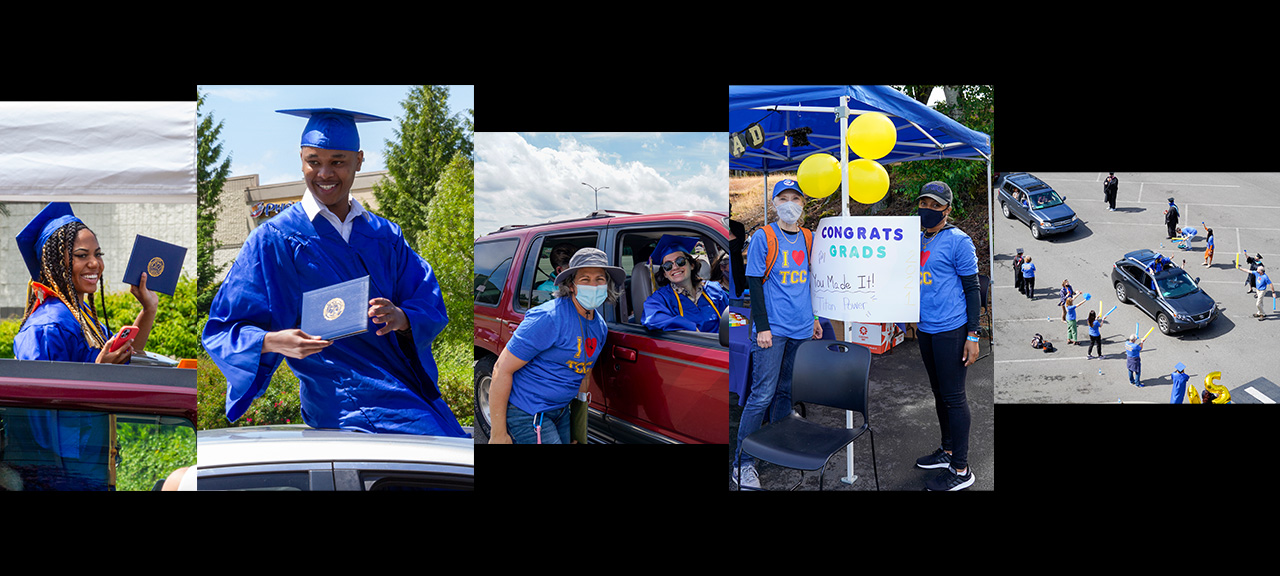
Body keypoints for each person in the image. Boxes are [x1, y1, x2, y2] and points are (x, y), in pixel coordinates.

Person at [202, 107, 465, 437]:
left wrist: (403, 317)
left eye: (337, 162)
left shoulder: (385, 235)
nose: (324, 173)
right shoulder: (274, 240)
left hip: (400, 383)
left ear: (359, 160)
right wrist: (273, 341)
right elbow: (222, 329)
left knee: (453, 447)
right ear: (301, 160)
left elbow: (427, 299)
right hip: (339, 394)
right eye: (314, 161)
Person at [733, 179, 822, 490]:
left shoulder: (809, 238)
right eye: (782, 197)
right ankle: (743, 462)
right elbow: (754, 283)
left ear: (802, 204)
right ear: (774, 203)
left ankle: (779, 444)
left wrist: (812, 318)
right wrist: (763, 327)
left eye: (794, 198)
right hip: (773, 330)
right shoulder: (764, 237)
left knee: (786, 391)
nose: (789, 203)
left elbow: (810, 281)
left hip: (801, 328)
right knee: (761, 395)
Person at [487, 248, 624, 444]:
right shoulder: (549, 317)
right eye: (585, 279)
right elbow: (502, 369)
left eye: (599, 279)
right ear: (571, 285)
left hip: (561, 412)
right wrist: (498, 433)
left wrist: (577, 426)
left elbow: (583, 375)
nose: (593, 285)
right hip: (529, 413)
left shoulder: (599, 326)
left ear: (607, 284)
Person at [13, 202, 156, 364]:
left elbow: (124, 357)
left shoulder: (83, 316)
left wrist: (148, 309)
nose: (94, 263)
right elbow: (40, 388)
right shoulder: (48, 326)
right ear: (54, 264)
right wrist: (99, 371)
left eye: (98, 254)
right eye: (82, 255)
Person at [911, 181, 982, 492]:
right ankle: (948, 450)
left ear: (947, 210)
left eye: (934, 205)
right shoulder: (915, 239)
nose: (927, 209)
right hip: (926, 328)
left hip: (951, 330)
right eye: (924, 203)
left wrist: (973, 334)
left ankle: (962, 468)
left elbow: (973, 289)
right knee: (938, 393)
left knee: (954, 397)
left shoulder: (959, 241)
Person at [642, 234, 728, 333]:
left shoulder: (714, 290)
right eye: (668, 265)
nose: (675, 267)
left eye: (680, 261)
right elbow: (652, 319)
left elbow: (731, 316)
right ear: (665, 274)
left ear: (691, 265)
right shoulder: (661, 298)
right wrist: (689, 327)